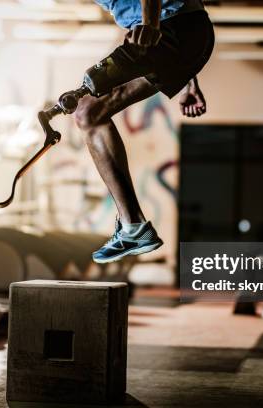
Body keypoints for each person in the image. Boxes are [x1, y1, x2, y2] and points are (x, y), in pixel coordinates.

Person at [74, 0, 214, 263]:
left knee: (87, 113)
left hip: (172, 31)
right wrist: (186, 75)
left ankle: (133, 227)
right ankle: (133, 227)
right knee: (90, 112)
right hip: (181, 36)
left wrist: (151, 24)